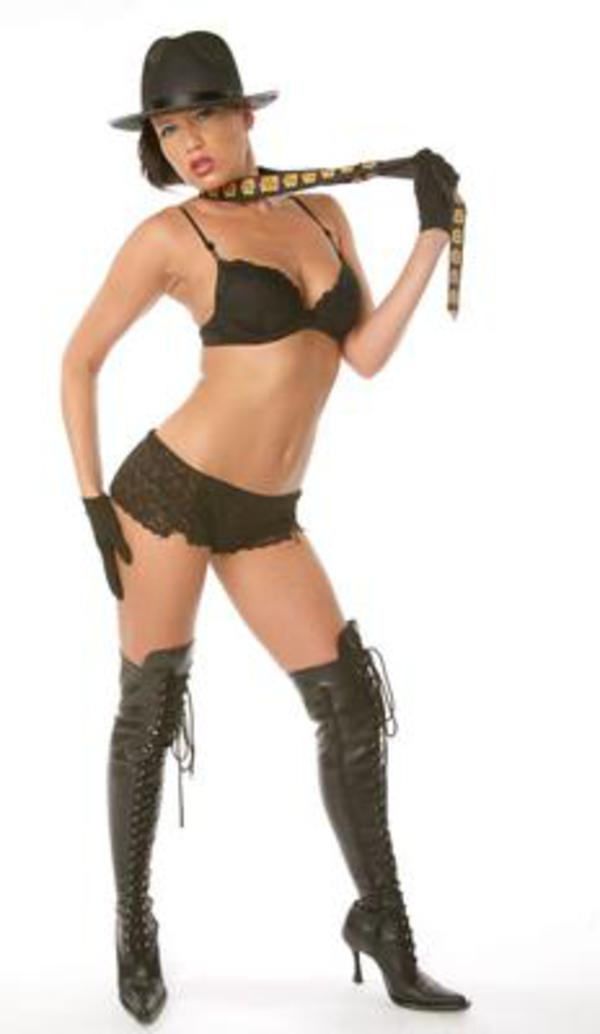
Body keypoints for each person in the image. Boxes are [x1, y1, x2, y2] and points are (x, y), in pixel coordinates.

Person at [60, 29, 470, 1025]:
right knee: (150, 711)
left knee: (350, 703)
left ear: (247, 115)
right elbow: (78, 361)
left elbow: (362, 354)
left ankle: (383, 924)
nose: (190, 142)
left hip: (266, 515)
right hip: (168, 495)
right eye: (169, 128)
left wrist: (430, 232)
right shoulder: (173, 237)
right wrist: (91, 502)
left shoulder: (324, 211)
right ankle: (132, 927)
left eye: (205, 116)